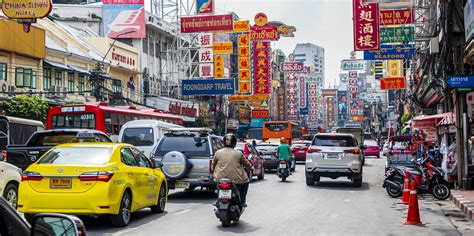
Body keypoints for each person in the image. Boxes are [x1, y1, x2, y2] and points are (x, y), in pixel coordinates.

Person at [212, 133, 253, 207]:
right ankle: (242, 201)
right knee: (246, 181)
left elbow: (213, 166)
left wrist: (215, 173)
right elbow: (247, 164)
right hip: (236, 180)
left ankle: (218, 199)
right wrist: (250, 168)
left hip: (220, 179)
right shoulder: (239, 153)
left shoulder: (218, 152)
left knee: (218, 187)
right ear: (234, 143)